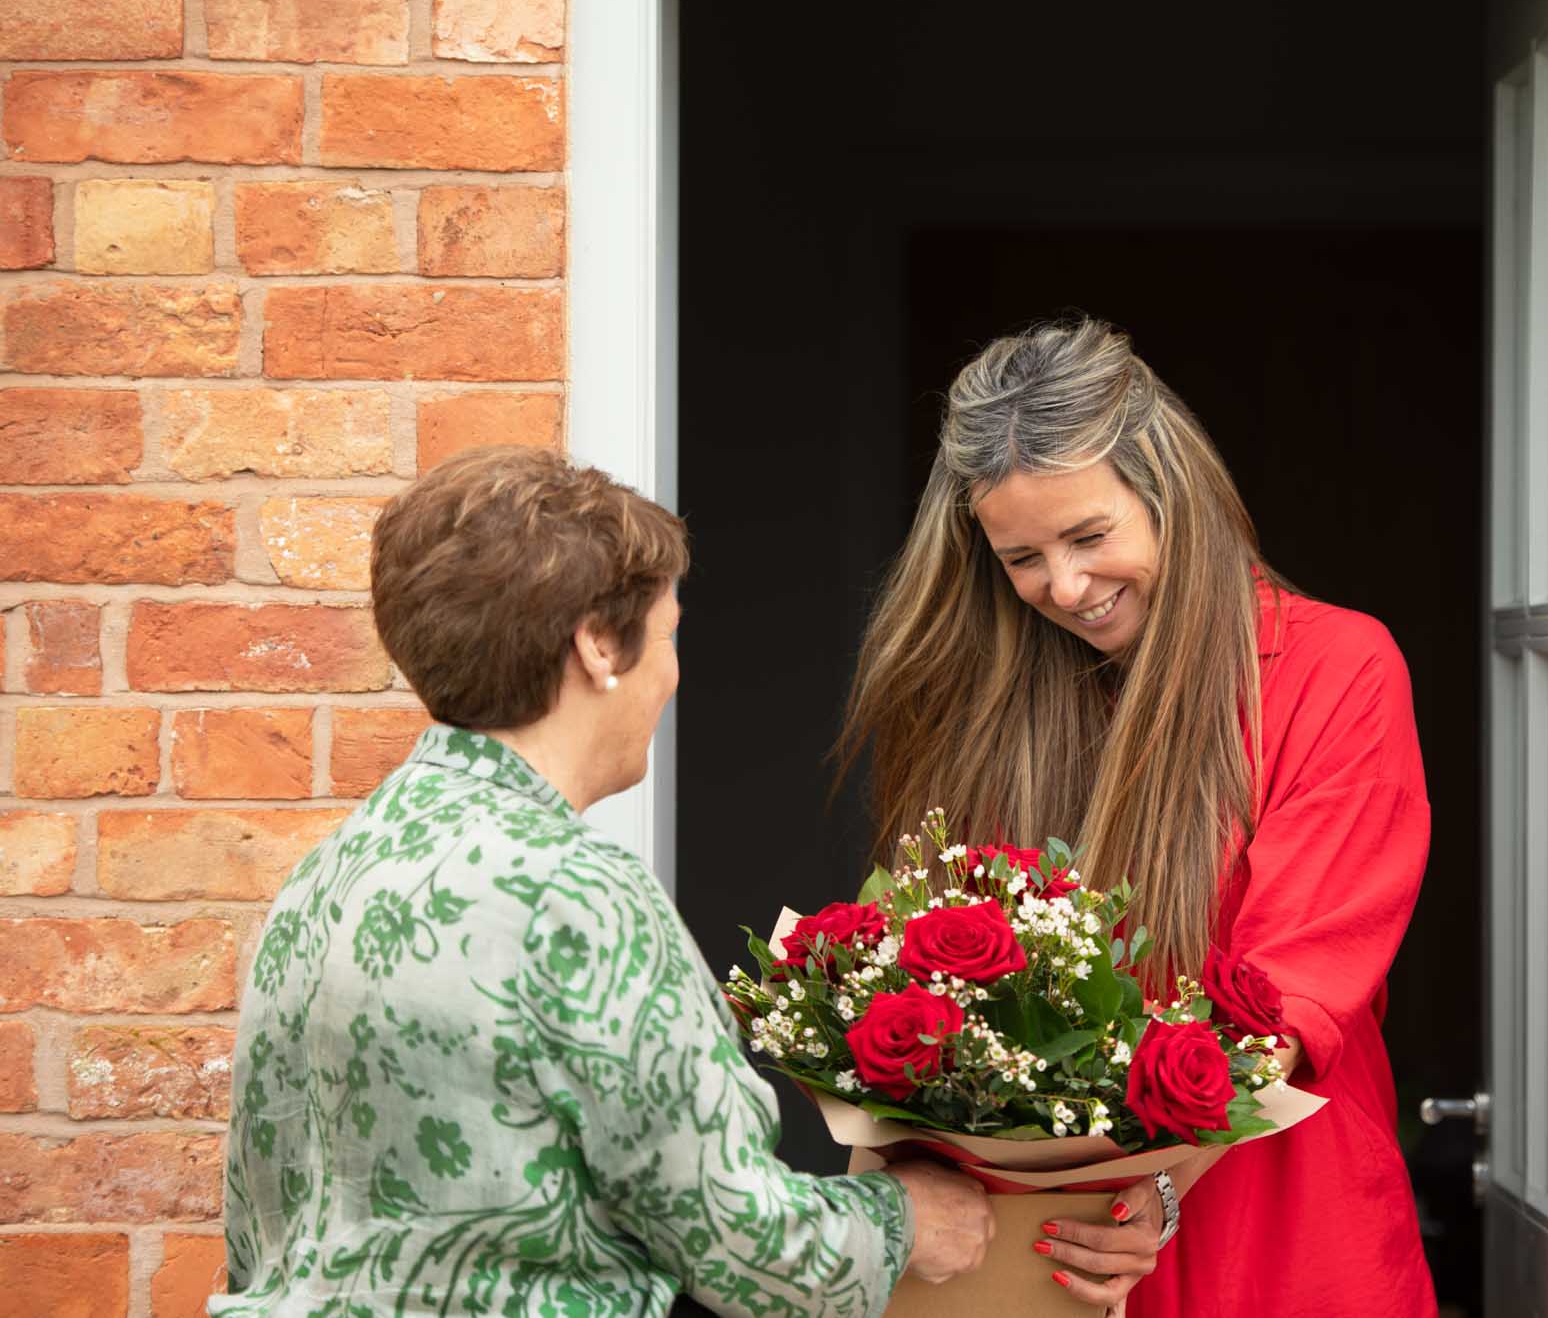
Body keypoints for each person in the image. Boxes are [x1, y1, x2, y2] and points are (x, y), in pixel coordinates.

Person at [212, 446, 992, 1318]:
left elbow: (257, 1234)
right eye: (669, 633)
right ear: (595, 644)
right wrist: (909, 1218)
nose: (674, 672)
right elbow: (748, 1246)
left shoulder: (327, 873)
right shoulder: (573, 895)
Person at [840, 319, 1436, 1316]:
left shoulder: (1337, 670)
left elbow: (1291, 994)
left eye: (1089, 536)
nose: (1064, 588)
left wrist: (1158, 1186)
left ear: (1172, 497)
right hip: (1049, 1247)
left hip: (1277, 1234)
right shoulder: (1000, 711)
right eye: (1021, 556)